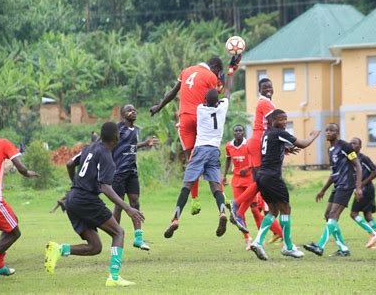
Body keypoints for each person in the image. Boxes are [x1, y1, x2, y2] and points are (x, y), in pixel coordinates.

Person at [44, 122, 145, 287]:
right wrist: (127, 208)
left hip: (72, 198)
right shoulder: (106, 156)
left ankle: (59, 249)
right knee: (118, 233)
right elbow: (106, 188)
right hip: (86, 200)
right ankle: (114, 277)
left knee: (95, 247)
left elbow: (70, 163)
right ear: (117, 138)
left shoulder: (89, 148)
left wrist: (76, 183)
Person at [150, 55, 241, 216]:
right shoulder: (210, 76)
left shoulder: (186, 71)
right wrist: (228, 73)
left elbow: (173, 92)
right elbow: (218, 94)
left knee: (191, 161)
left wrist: (159, 106)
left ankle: (194, 200)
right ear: (215, 69)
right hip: (200, 120)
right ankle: (220, 196)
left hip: (184, 117)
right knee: (211, 161)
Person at [164, 68, 234, 239]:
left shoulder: (201, 110)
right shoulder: (222, 108)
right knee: (215, 186)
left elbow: (192, 111)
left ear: (204, 100)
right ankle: (222, 212)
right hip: (214, 151)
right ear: (217, 101)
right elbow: (228, 92)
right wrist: (230, 73)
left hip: (200, 150)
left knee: (187, 185)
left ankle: (175, 219)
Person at [249, 109, 320, 261]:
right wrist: (313, 135)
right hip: (273, 177)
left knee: (273, 210)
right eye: (281, 119)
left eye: (286, 119)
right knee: (286, 209)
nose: (284, 122)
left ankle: (258, 242)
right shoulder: (278, 132)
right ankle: (288, 246)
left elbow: (271, 148)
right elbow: (303, 144)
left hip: (262, 176)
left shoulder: (267, 133)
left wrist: (285, 149)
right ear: (273, 120)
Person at [0, 116, 39, 283]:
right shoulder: (2, 143)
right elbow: (20, 167)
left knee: (10, 224)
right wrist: (28, 173)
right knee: (14, 232)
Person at [304, 123, 363, 257]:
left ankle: (320, 246)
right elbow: (334, 172)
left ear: (337, 133)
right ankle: (343, 248)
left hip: (347, 185)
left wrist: (358, 187)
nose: (328, 132)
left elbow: (358, 166)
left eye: (331, 130)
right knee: (328, 216)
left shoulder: (345, 146)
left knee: (333, 215)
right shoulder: (330, 149)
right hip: (338, 185)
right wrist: (323, 190)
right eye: (326, 130)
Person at [222, 125, 283, 250]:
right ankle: (247, 238)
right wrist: (224, 176)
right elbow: (228, 159)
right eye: (235, 130)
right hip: (236, 181)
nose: (238, 132)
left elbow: (255, 160)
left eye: (240, 130)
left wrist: (248, 168)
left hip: (250, 180)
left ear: (244, 132)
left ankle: (262, 238)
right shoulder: (228, 146)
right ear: (233, 132)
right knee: (239, 212)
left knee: (255, 210)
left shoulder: (249, 144)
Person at [230, 78, 276, 232]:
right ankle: (236, 205)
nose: (268, 89)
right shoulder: (264, 103)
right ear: (259, 90)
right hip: (258, 143)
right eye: (265, 87)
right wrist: (286, 141)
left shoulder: (267, 103)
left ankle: (239, 211)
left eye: (270, 87)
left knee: (259, 183)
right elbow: (274, 123)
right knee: (261, 182)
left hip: (258, 142)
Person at [112, 104, 158, 251]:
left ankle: (138, 239)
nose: (133, 111)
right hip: (118, 172)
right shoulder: (118, 129)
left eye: (134, 109)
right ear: (123, 114)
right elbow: (109, 145)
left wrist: (145, 144)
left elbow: (130, 146)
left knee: (135, 203)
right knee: (119, 205)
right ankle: (116, 235)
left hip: (132, 171)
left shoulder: (135, 129)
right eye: (129, 110)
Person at [349, 137, 376, 249]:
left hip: (365, 190)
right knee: (368, 216)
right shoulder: (350, 158)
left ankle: (373, 233)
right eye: (351, 143)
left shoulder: (363, 158)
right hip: (362, 189)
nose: (352, 145)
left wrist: (362, 184)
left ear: (360, 146)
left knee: (353, 214)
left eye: (355, 143)